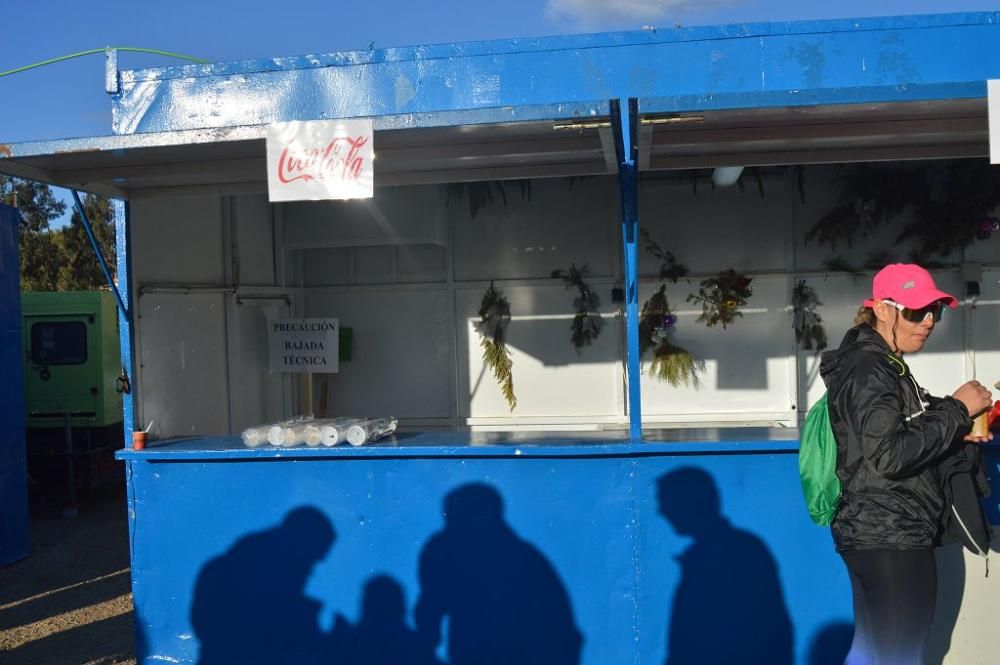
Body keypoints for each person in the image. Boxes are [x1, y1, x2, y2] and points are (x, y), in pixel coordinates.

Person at [819, 263, 994, 665]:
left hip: (879, 531)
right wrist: (956, 409)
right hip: (891, 534)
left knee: (871, 653)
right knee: (898, 656)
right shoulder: (870, 368)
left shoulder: (876, 363)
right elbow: (889, 455)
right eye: (916, 312)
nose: (929, 322)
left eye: (936, 311)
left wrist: (955, 428)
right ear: (882, 309)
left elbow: (890, 439)